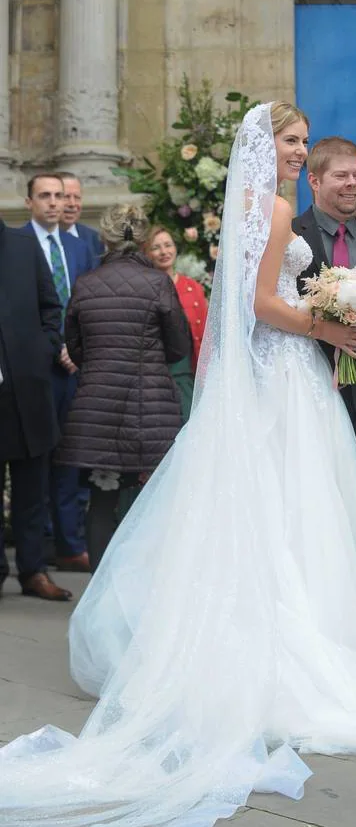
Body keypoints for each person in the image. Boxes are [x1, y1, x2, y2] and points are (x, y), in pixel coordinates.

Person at [0, 102, 356, 827]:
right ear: (267, 148)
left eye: (306, 142)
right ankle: (304, 649)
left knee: (277, 506)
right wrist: (331, 324)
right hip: (286, 372)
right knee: (299, 506)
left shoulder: (245, 208)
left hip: (269, 377)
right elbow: (258, 306)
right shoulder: (277, 208)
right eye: (292, 142)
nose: (299, 152)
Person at [55, 205, 191, 572]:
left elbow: (76, 347)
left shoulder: (86, 284)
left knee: (101, 503)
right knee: (152, 502)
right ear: (145, 240)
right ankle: (146, 592)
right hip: (151, 416)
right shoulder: (158, 283)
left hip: (97, 415)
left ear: (105, 239)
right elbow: (179, 346)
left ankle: (101, 596)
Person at [293, 137, 356, 486]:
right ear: (314, 180)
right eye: (341, 176)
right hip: (307, 388)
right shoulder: (292, 236)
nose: (353, 184)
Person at [22, 174, 94, 573]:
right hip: (34, 370)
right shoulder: (16, 245)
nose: (55, 203)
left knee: (70, 457)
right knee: (37, 459)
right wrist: (55, 347)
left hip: (74, 367)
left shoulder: (79, 245)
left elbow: (83, 302)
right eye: (46, 196)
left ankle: (69, 543)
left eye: (60, 196)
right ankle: (39, 544)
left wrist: (76, 348)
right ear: (30, 201)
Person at [0, 218, 73, 602]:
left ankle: (33, 572)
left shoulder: (24, 247)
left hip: (27, 389)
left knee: (32, 489)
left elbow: (51, 306)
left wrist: (43, 350)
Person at [145, 225, 208, 419]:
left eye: (168, 245)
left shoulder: (193, 287)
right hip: (156, 377)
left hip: (190, 374)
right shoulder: (144, 287)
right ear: (146, 253)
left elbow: (207, 333)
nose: (164, 252)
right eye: (156, 247)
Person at [58, 171, 105, 265]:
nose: (72, 204)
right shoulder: (32, 239)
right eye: (66, 197)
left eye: (77, 197)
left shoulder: (94, 238)